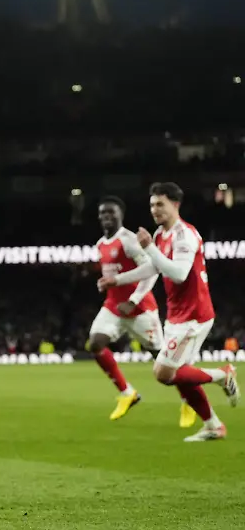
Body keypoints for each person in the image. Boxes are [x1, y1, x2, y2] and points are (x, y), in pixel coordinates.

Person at [99, 182, 239, 442]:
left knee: (163, 373)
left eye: (160, 204)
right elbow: (152, 268)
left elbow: (178, 273)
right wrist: (116, 280)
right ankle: (213, 426)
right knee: (183, 375)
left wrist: (148, 247)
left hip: (194, 315)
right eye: (152, 205)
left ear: (175, 204)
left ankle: (223, 374)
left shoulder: (185, 235)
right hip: (176, 314)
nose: (154, 210)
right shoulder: (161, 235)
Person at [89, 196, 163, 420]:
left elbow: (152, 270)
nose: (106, 217)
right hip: (113, 307)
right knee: (95, 343)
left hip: (140, 309)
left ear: (121, 214)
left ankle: (188, 398)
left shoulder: (129, 240)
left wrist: (133, 300)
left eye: (111, 212)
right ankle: (127, 393)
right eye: (102, 213)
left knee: (163, 363)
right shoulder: (101, 244)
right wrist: (105, 284)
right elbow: (114, 274)